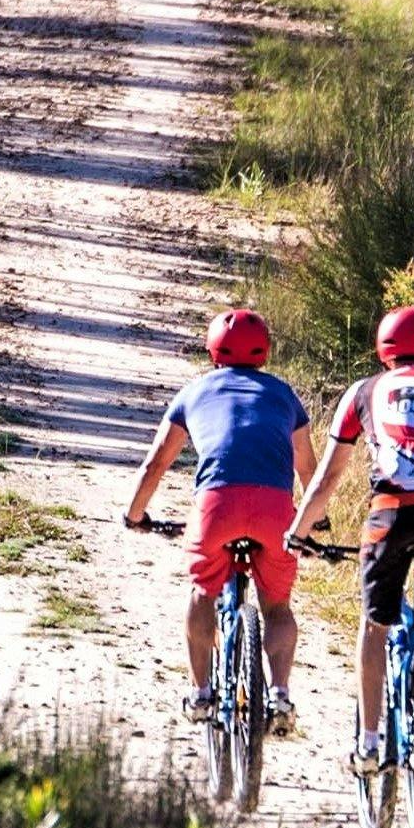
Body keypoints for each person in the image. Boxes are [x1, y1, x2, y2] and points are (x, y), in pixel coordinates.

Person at [290, 303, 414, 776]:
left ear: (384, 349)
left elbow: (326, 479)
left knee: (375, 624)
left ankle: (370, 740)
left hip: (394, 510)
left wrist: (297, 531)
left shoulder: (366, 391)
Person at [124, 305, 321, 733]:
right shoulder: (285, 395)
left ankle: (199, 692)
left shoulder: (194, 392)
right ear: (264, 353)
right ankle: (281, 694)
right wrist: (316, 522)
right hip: (275, 511)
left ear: (213, 351)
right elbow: (308, 469)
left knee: (202, 591)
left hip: (217, 507)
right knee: (277, 605)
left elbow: (155, 465)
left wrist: (135, 514)